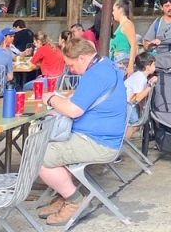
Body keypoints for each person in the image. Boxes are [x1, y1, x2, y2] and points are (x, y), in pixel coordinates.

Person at [36, 38, 127, 225]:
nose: (70, 69)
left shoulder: (95, 75)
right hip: (102, 136)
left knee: (38, 156)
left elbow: (73, 110)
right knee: (50, 147)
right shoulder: (106, 66)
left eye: (71, 64)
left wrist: (51, 98)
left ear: (83, 58)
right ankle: (65, 194)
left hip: (97, 142)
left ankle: (74, 201)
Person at [124, 52, 157, 132]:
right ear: (148, 67)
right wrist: (150, 86)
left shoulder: (140, 76)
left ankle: (124, 140)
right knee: (134, 124)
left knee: (135, 124)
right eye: (154, 65)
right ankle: (123, 142)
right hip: (127, 103)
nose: (155, 67)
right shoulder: (140, 78)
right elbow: (137, 98)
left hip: (128, 102)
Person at [109, 0, 138, 75]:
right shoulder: (121, 25)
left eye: (114, 10)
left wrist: (130, 66)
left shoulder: (127, 24)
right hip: (117, 60)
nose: (113, 13)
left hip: (123, 61)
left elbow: (134, 45)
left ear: (120, 10)